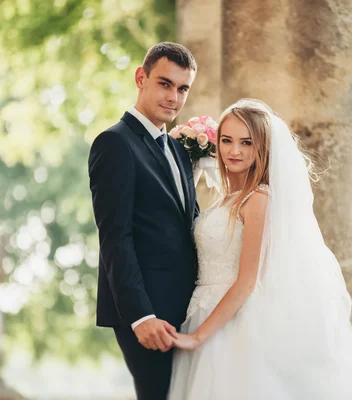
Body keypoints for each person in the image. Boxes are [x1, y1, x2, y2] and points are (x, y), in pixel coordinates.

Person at [168, 99, 352, 399]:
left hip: (232, 325)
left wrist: (198, 336)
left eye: (246, 143)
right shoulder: (226, 198)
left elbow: (248, 280)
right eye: (227, 140)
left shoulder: (257, 198)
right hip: (203, 311)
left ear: (262, 147)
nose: (234, 151)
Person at [88, 42, 199, 400]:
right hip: (150, 315)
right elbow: (115, 238)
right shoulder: (115, 144)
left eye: (183, 88)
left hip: (189, 309)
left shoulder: (179, 150)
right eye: (165, 84)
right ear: (141, 78)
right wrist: (140, 316)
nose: (174, 97)